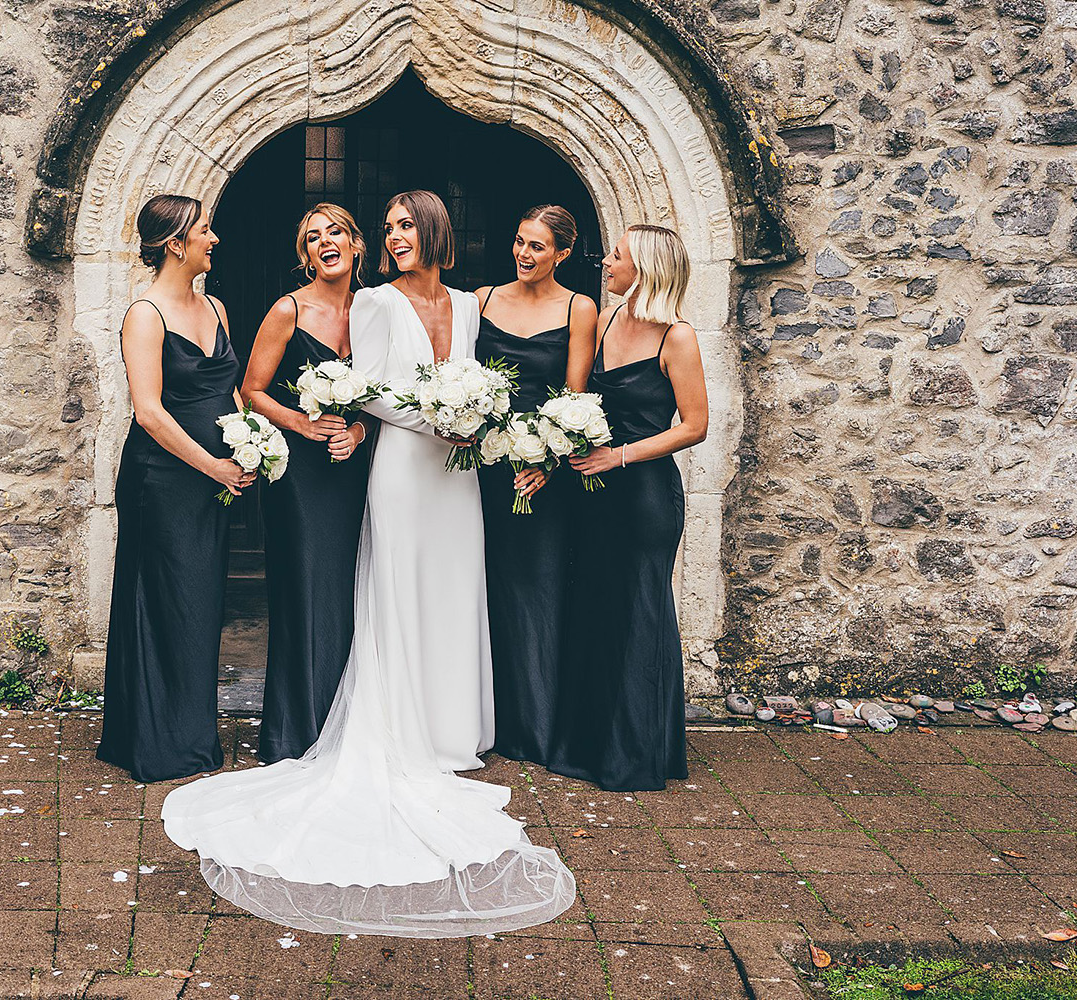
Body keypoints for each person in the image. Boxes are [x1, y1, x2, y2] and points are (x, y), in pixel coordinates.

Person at [161, 190, 574, 938]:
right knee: (399, 591)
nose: (394, 237)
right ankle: (404, 730)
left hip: (457, 473)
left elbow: (472, 375)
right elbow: (375, 393)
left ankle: (455, 731)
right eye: (388, 229)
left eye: (404, 226)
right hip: (405, 467)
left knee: (455, 591)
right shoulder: (377, 302)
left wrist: (475, 422)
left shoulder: (470, 303)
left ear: (436, 230)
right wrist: (444, 419)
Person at [95, 194, 254, 783]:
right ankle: (155, 739)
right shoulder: (146, 316)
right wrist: (212, 467)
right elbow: (150, 413)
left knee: (202, 599)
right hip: (162, 479)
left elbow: (227, 389)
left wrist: (249, 440)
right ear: (175, 244)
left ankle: (194, 731)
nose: (214, 239)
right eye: (205, 231)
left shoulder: (217, 307)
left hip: (213, 477)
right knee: (164, 597)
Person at [550, 224, 708, 792]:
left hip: (643, 496)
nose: (606, 260)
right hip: (593, 493)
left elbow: (694, 426)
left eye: (616, 254)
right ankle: (588, 745)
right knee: (597, 608)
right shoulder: (610, 318)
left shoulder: (678, 337)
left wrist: (619, 457)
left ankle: (637, 753)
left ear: (645, 267)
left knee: (641, 612)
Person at [241, 203, 373, 763]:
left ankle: (350, 724)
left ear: (356, 244)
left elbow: (390, 396)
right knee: (304, 589)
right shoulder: (287, 311)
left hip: (357, 471)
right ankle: (294, 731)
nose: (325, 243)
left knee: (353, 589)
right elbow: (253, 389)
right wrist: (302, 423)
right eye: (313, 238)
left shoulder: (377, 311)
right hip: (300, 475)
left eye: (335, 233)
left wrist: (360, 431)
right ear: (305, 255)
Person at [473, 205, 597, 766]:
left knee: (539, 591)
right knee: (485, 588)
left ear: (563, 254)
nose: (524, 254)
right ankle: (486, 721)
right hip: (479, 469)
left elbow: (574, 399)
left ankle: (538, 725)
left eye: (538, 247)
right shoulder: (481, 301)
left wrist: (546, 462)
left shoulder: (579, 308)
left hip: (541, 474)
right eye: (520, 242)